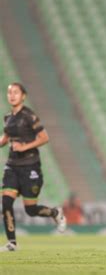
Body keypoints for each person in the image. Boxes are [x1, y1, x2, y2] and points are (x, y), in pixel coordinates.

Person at [1, 83, 67, 252]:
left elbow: (44, 137)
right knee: (6, 202)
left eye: (16, 92)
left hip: (30, 166)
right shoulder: (8, 117)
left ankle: (54, 213)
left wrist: (24, 147)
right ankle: (12, 243)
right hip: (12, 166)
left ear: (23, 96)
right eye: (9, 92)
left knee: (30, 209)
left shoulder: (29, 116)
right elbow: (6, 138)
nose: (12, 95)